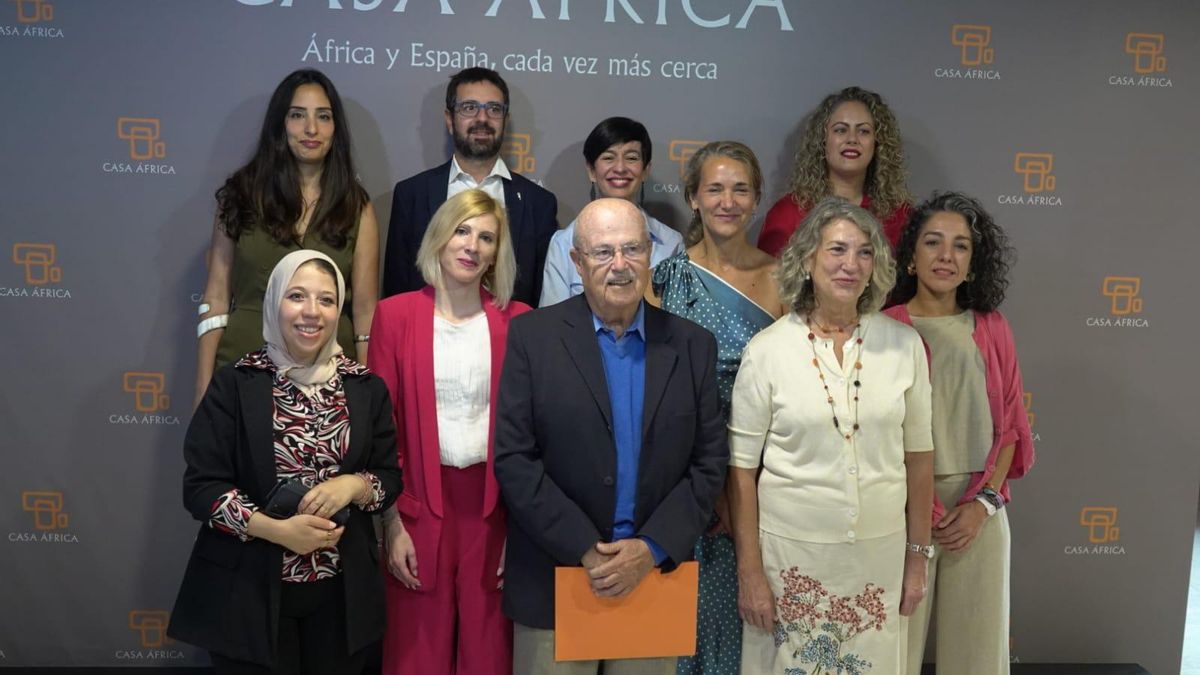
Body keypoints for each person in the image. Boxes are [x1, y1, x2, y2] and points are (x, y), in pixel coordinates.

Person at [494, 198, 728, 674]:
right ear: (577, 263)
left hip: (653, 580)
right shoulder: (531, 338)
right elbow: (515, 459)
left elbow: (708, 464)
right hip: (555, 580)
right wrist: (585, 547)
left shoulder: (693, 345)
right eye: (602, 253)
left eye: (632, 249)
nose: (619, 266)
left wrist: (650, 549)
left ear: (650, 255)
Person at [169, 250, 402, 674]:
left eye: (327, 300)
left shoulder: (366, 387)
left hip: (342, 600)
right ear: (275, 302)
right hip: (247, 597)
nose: (311, 312)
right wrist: (278, 531)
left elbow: (388, 477)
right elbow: (201, 488)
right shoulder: (235, 384)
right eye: (297, 296)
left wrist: (353, 486)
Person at [727, 197, 934, 673]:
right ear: (806, 259)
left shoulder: (904, 347)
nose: (850, 264)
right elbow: (740, 471)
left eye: (864, 253)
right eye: (837, 249)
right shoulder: (768, 351)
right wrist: (750, 571)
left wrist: (917, 559)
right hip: (790, 562)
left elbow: (920, 459)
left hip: (879, 559)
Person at [369, 189, 530, 675]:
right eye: (462, 230)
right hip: (417, 510)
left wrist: (519, 532)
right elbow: (382, 431)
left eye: (486, 237)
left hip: (493, 513)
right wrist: (391, 524)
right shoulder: (394, 316)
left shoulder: (519, 323)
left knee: (489, 658)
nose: (472, 246)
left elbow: (529, 434)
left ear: (497, 253)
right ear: (440, 235)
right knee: (415, 658)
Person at [645, 141, 783, 675]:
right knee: (677, 633)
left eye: (741, 189)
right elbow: (655, 391)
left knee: (743, 631)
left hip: (761, 480)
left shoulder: (784, 279)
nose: (728, 200)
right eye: (715, 188)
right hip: (681, 483)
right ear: (694, 199)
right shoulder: (662, 279)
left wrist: (740, 484)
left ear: (756, 200)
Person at [883, 192, 1035, 675]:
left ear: (973, 263)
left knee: (978, 653)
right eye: (933, 242)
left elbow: (1011, 424)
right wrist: (919, 505)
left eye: (961, 246)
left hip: (978, 509)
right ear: (911, 257)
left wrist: (983, 504)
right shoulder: (884, 328)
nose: (946, 256)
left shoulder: (992, 327)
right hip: (904, 508)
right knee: (895, 647)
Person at [195, 68, 379, 407]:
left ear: (335, 128)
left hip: (330, 376)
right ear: (280, 123)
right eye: (297, 115)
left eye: (323, 117)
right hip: (244, 365)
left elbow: (365, 312)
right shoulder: (239, 195)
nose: (311, 129)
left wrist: (365, 393)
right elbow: (216, 298)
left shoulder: (357, 206)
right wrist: (203, 391)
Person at [382, 67, 558, 306]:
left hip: (508, 338)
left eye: (494, 109)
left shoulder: (539, 203)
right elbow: (397, 293)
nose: (482, 119)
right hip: (428, 338)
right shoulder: (411, 195)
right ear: (449, 119)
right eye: (469, 107)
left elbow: (541, 301)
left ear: (505, 120)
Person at [540, 117, 683, 306]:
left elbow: (675, 322)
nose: (620, 168)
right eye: (608, 158)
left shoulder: (671, 243)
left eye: (631, 158)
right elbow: (554, 321)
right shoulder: (563, 243)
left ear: (646, 170)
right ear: (591, 170)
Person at [757, 86, 912, 257]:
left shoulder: (900, 215)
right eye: (841, 130)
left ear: (877, 143)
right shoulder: (788, 214)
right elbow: (768, 280)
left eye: (864, 131)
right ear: (822, 141)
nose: (852, 139)